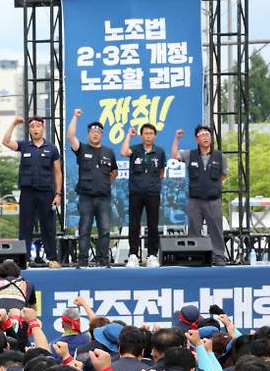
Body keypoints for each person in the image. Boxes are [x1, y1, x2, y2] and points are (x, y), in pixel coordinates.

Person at [2, 116, 63, 268]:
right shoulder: (24, 146)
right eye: (32, 126)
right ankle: (24, 258)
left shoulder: (52, 148)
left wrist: (58, 194)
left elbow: (58, 172)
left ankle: (52, 258)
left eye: (38, 126)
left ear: (43, 128)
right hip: (27, 192)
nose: (35, 129)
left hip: (46, 192)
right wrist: (14, 124)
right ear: (29, 130)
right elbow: (5, 142)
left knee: (48, 226)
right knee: (25, 226)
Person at [66, 109, 118, 268]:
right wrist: (75, 116)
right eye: (92, 132)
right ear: (88, 134)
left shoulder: (108, 152)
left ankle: (103, 260)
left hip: (104, 197)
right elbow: (70, 137)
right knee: (85, 229)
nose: (95, 134)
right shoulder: (82, 149)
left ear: (102, 135)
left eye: (99, 132)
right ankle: (82, 260)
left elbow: (114, 171)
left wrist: (104, 183)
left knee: (104, 230)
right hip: (86, 196)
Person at [171, 125, 228, 266]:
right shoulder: (190, 154)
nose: (205, 137)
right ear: (197, 139)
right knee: (194, 229)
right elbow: (174, 155)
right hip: (195, 200)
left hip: (213, 200)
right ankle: (194, 256)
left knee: (216, 229)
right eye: (202, 135)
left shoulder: (219, 156)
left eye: (207, 134)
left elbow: (224, 174)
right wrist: (177, 138)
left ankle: (218, 256)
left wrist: (211, 186)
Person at [119, 124, 166, 268]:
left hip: (153, 193)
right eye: (145, 133)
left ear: (155, 136)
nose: (148, 136)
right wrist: (128, 136)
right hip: (136, 192)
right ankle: (133, 254)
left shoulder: (160, 152)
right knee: (134, 224)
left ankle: (152, 255)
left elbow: (161, 173)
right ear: (141, 136)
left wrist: (154, 185)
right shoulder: (135, 149)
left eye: (151, 133)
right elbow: (122, 152)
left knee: (153, 225)